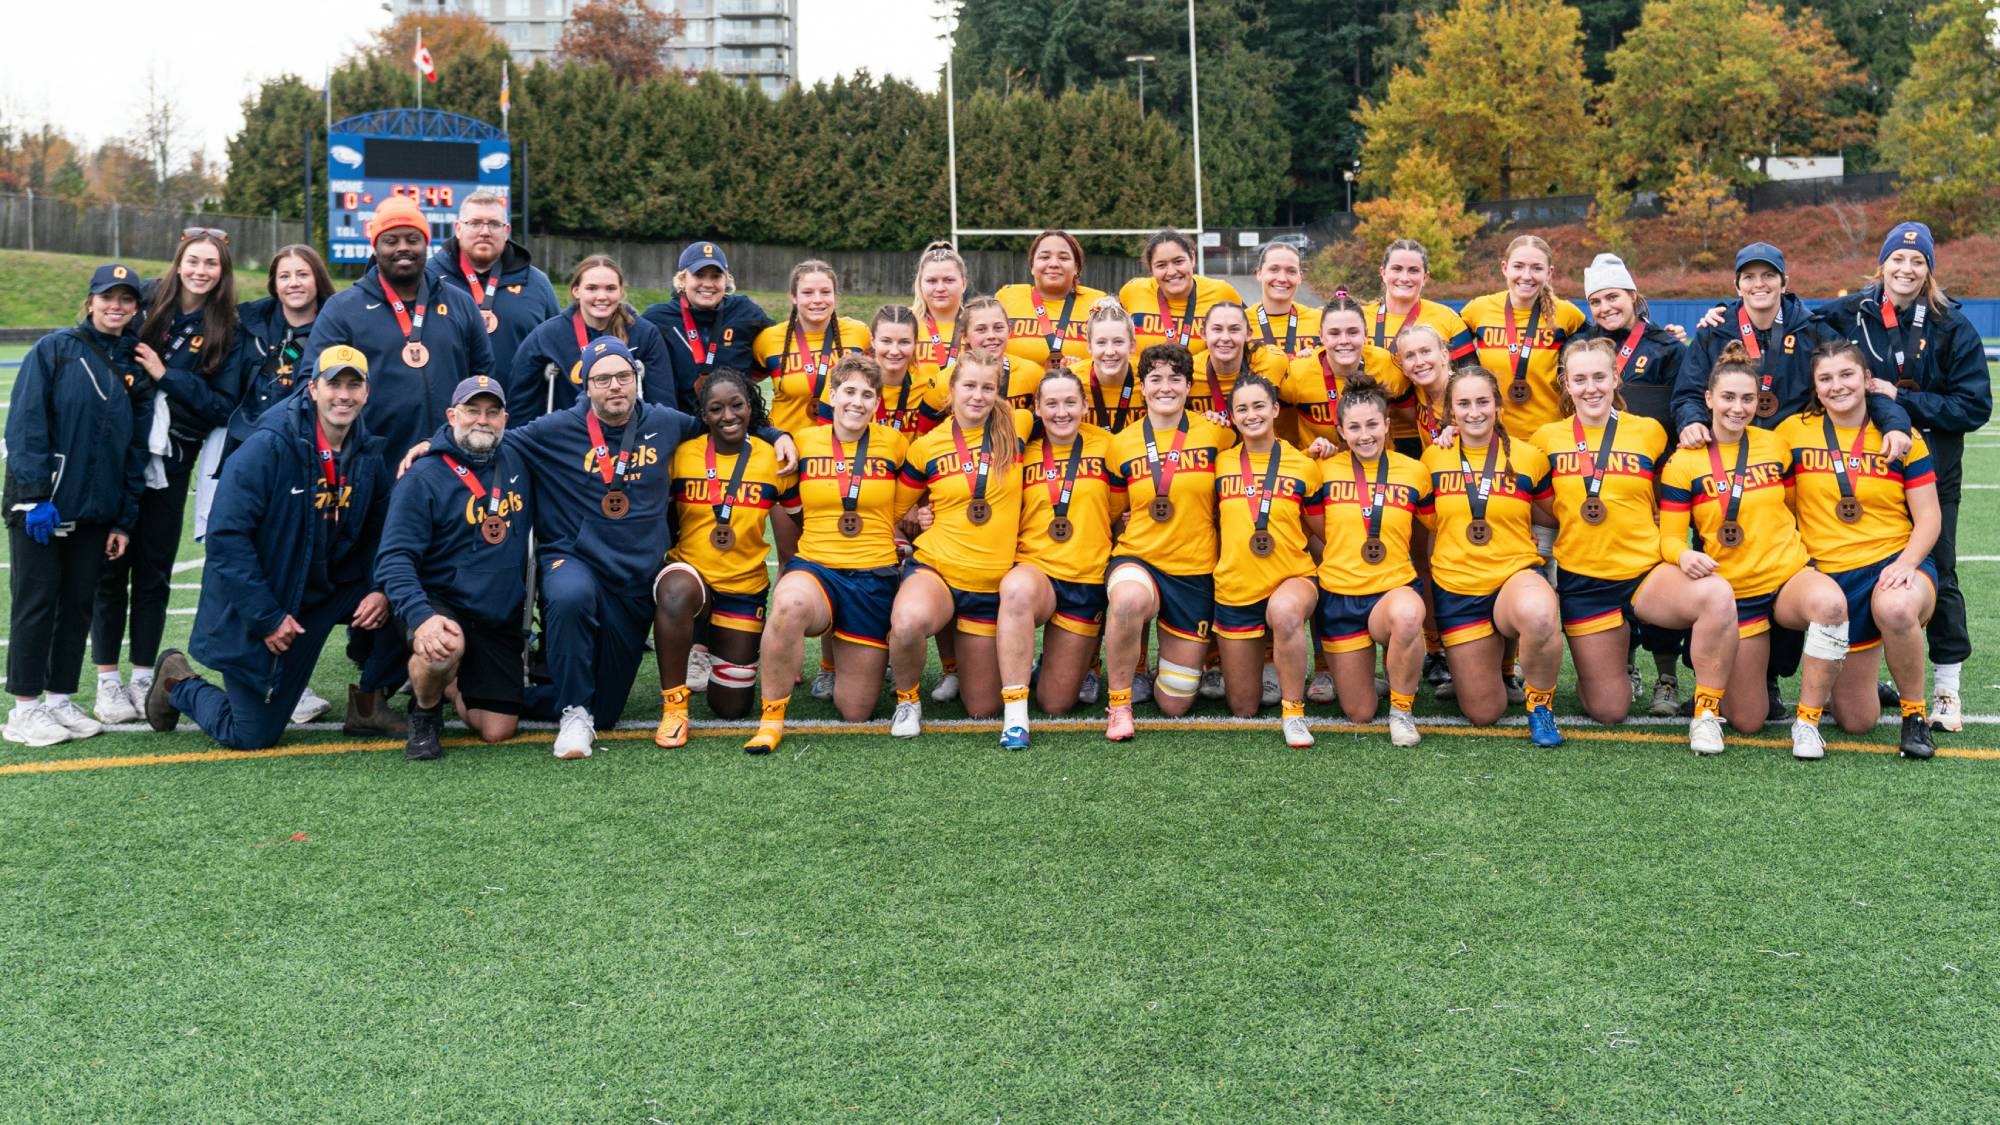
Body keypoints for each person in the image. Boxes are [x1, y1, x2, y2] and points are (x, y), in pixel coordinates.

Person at [299, 194, 495, 734]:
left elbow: (482, 376)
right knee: (382, 576)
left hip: (450, 469)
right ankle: (374, 687)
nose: (403, 248)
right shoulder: (343, 308)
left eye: (412, 238)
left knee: (438, 571)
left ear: (427, 243)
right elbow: (311, 385)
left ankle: (416, 672)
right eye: (392, 239)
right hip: (373, 473)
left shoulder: (456, 302)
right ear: (375, 245)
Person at [144, 346, 391, 750]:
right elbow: (227, 536)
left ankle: (370, 702)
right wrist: (267, 616)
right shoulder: (269, 445)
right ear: (313, 389)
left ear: (367, 393)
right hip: (273, 596)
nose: (343, 395)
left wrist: (380, 588)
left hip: (328, 590)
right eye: (334, 384)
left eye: (354, 385)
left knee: (411, 599)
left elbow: (381, 532)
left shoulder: (366, 450)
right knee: (252, 734)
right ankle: (177, 683)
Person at [1812, 222, 1990, 732]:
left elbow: (1974, 405)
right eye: (1898, 260)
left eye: (1917, 262)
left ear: (1929, 269)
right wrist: (1721, 321)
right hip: (1861, 472)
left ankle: (1946, 688)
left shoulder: (1951, 325)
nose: (1906, 270)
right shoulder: (1853, 313)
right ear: (1882, 264)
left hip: (1932, 467)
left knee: (1940, 572)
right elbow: (1792, 319)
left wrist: (1901, 399)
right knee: (1851, 565)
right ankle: (1849, 680)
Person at [1530, 337, 1739, 755]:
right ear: (1566, 385)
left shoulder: (1650, 431)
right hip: (1585, 581)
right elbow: (1540, 505)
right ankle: (1617, 652)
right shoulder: (1544, 438)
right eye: (1580, 379)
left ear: (1615, 378)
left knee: (1716, 594)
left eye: (1599, 377)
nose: (1591, 387)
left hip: (1646, 572)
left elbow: (1673, 492)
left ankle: (1705, 714)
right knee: (1609, 710)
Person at [1658, 342, 1852, 761]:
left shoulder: (1775, 445)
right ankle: (1716, 693)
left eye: (1747, 399)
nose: (1737, 407)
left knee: (1832, 606)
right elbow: (1669, 538)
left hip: (1787, 579)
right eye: (1727, 397)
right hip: (1734, 592)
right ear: (1708, 399)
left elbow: (1794, 508)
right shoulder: (1684, 462)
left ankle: (1808, 723)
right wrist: (1683, 556)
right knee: (1748, 719)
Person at [91, 229, 242, 728]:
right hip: (117, 453)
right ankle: (107, 679)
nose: (201, 271)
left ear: (222, 273)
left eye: (211, 264)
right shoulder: (144, 300)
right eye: (193, 261)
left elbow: (222, 405)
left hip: (171, 461)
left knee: (154, 570)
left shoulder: (226, 326)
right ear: (178, 262)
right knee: (111, 568)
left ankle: (141, 675)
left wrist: (165, 374)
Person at [5, 264, 152, 746]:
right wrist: (32, 497)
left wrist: (123, 521)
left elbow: (135, 451)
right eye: (108, 297)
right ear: (90, 301)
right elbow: (25, 424)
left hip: (97, 512)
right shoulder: (54, 349)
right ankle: (23, 709)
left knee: (77, 607)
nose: (117, 306)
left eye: (126, 299)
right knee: (36, 605)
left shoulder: (134, 364)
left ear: (136, 307)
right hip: (43, 508)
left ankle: (58, 699)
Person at [1776, 342, 1941, 758]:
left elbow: (1930, 519)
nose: (1837, 386)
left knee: (1897, 607)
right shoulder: (1791, 433)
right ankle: (1865, 682)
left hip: (1892, 563)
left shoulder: (1902, 436)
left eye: (1847, 375)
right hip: (1827, 574)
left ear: (1868, 380)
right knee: (1857, 721)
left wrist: (1906, 565)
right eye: (1825, 378)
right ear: (1815, 387)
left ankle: (1914, 716)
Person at [748, 355, 918, 753]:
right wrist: (776, 434)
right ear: (833, 394)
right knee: (788, 604)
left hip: (874, 576)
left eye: (867, 395)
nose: (857, 402)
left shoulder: (895, 444)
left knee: (856, 710)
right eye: (850, 392)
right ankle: (771, 719)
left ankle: (835, 661)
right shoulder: (803, 441)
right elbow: (783, 490)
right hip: (817, 569)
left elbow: (911, 499)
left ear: (877, 403)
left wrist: (917, 515)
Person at [374, 375, 532, 761]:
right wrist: (420, 616)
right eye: (472, 411)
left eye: (492, 412)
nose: (482, 420)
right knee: (443, 646)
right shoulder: (423, 475)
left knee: (497, 730)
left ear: (505, 419)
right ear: (451, 415)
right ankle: (425, 712)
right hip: (439, 600)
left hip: (495, 614)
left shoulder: (520, 455)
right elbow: (394, 557)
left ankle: (451, 686)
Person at [1420, 366, 1564, 746]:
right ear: (1450, 412)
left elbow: (1554, 513)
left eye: (1483, 401)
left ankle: (1540, 706)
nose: (1474, 412)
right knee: (1484, 713)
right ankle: (1500, 665)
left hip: (1512, 576)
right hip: (1459, 587)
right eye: (1463, 404)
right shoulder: (1433, 457)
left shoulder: (1529, 457)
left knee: (1538, 612)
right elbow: (1427, 522)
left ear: (1498, 405)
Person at [887, 349, 1028, 736]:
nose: (978, 395)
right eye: (969, 386)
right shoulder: (926, 447)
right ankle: (907, 701)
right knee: (907, 622)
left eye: (987, 387)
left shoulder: (1018, 429)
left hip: (989, 585)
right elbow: (898, 510)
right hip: (939, 569)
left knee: (982, 707)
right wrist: (918, 518)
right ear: (951, 390)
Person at [1101, 343, 1238, 739]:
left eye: (1175, 379)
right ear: (1142, 387)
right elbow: (1110, 511)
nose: (1165, 387)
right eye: (1155, 379)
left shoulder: (1217, 434)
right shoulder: (1121, 443)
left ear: (1187, 385)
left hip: (1193, 571)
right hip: (1139, 559)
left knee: (1175, 704)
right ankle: (1120, 703)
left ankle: (1159, 667)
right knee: (1127, 600)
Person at [652, 368, 789, 748]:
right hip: (691, 574)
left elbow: (792, 527)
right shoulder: (681, 455)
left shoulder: (773, 460)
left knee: (731, 707)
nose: (728, 416)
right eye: (716, 409)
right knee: (677, 592)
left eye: (736, 405)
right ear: (703, 414)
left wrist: (791, 578)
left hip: (744, 586)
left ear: (751, 405)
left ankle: (710, 643)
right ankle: (674, 707)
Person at [1578, 252, 1689, 716]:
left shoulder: (1669, 347)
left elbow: (1683, 407)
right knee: (1610, 574)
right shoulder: (1581, 345)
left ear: (1634, 296)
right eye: (1596, 301)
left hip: (1657, 481)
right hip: (1602, 485)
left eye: (1614, 297)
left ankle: (1667, 675)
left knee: (1658, 574)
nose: (1605, 307)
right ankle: (1624, 664)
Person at [995, 367, 1119, 749]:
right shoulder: (1019, 450)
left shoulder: (1109, 445)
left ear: (1085, 405)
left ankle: (1051, 662)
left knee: (1056, 702)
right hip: (1038, 572)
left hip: (1086, 579)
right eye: (1051, 403)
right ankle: (1015, 718)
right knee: (1015, 590)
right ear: (1036, 408)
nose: (1061, 412)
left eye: (1070, 402)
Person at [1312, 378, 1429, 747]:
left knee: (1409, 615)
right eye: (1355, 427)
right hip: (1340, 597)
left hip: (1392, 591)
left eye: (1373, 424)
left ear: (1387, 424)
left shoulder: (1414, 471)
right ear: (1341, 431)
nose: (1365, 435)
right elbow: (1314, 526)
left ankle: (1401, 710)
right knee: (1360, 713)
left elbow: (1438, 526)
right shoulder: (1320, 469)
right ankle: (1379, 674)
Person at [1212, 376, 1324, 747]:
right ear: (1231, 417)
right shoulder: (1220, 463)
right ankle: (1269, 665)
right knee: (1243, 706)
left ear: (1275, 409)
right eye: (1242, 408)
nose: (1252, 414)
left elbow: (1321, 530)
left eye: (1259, 405)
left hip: (1291, 578)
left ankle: (1294, 712)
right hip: (1236, 586)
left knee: (1286, 612)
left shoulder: (1304, 464)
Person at [425, 188, 561, 389]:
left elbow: (557, 347)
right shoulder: (428, 279)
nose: (485, 232)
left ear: (506, 231)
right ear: (458, 228)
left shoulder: (536, 283)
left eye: (494, 224)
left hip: (521, 413)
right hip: (448, 414)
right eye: (475, 223)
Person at [511, 254, 674, 420]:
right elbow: (522, 405)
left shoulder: (644, 334)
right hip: (568, 435)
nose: (602, 296)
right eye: (592, 288)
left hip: (628, 437)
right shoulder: (548, 335)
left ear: (621, 291)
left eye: (610, 288)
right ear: (576, 291)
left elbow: (662, 404)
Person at [1459, 235, 1587, 444]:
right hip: (1491, 436)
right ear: (1504, 268)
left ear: (1549, 272)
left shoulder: (1567, 314)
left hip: (1551, 437)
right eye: (1518, 266)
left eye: (1537, 268)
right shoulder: (1478, 310)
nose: (1526, 276)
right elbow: (1444, 345)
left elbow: (1603, 347)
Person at [640, 242, 776, 414]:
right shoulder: (658, 318)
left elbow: (778, 343)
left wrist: (750, 377)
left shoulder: (745, 311)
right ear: (682, 279)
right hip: (681, 427)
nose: (708, 284)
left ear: (726, 279)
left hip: (735, 425)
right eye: (699, 275)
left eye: (716, 276)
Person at [229, 244, 333, 457]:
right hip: (248, 442)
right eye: (284, 276)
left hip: (308, 446)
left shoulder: (336, 329)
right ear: (275, 285)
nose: (294, 283)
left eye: (303, 275)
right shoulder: (248, 325)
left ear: (318, 280)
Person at [753, 259, 873, 437]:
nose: (817, 300)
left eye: (825, 292)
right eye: (808, 293)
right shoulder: (768, 340)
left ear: (835, 295)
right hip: (787, 448)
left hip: (841, 450)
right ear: (794, 297)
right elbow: (745, 386)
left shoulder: (859, 334)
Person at [1279, 295, 1409, 452]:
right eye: (1334, 333)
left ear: (1365, 334)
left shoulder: (1387, 365)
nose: (1344, 340)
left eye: (1352, 332)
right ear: (1321, 336)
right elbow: (1279, 427)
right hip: (1321, 469)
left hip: (1378, 470)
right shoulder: (1297, 373)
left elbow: (1412, 422)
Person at [1120, 230, 1243, 357]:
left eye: (1178, 261)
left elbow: (1250, 334)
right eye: (1161, 265)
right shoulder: (1132, 291)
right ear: (1151, 269)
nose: (1172, 272)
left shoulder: (1222, 293)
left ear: (1193, 258)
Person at [997, 229, 1106, 369]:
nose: (1054, 263)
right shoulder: (1007, 297)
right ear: (1032, 266)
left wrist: (1085, 369)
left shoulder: (1099, 304)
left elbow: (1117, 353)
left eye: (1063, 258)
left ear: (1076, 268)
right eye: (1044, 257)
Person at [1360, 239, 1475, 360]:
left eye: (1413, 270)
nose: (1404, 278)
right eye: (1397, 269)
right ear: (1383, 273)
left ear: (1425, 277)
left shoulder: (1448, 319)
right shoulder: (1360, 318)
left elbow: (1470, 374)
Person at [1190, 302, 1289, 426]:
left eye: (1234, 329)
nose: (1225, 337)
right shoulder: (1189, 372)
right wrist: (1199, 420)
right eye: (1217, 329)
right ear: (1203, 334)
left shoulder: (1273, 361)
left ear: (1248, 334)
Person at [946, 296, 1045, 414]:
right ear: (965, 336)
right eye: (981, 329)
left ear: (1009, 331)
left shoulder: (1033, 373)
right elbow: (927, 430)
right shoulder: (946, 379)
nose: (991, 336)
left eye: (998, 328)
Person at [1245, 241, 1323, 362]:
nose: (1282, 279)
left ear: (1300, 277)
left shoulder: (1321, 320)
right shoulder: (1241, 324)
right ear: (1259, 273)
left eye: (1291, 271)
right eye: (1274, 269)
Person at [867, 305, 935, 434]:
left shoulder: (928, 385)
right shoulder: (851, 384)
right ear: (873, 341)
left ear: (916, 343)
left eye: (904, 342)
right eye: (886, 341)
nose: (894, 351)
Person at [1080, 298, 1144, 433]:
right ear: (1089, 346)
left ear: (1132, 345)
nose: (1110, 352)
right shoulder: (1072, 383)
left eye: (1118, 342)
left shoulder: (1150, 379)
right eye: (1101, 342)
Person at [910, 240, 967, 382]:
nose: (940, 288)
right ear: (920, 283)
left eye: (949, 280)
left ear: (964, 284)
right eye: (931, 281)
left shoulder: (977, 326)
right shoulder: (904, 322)